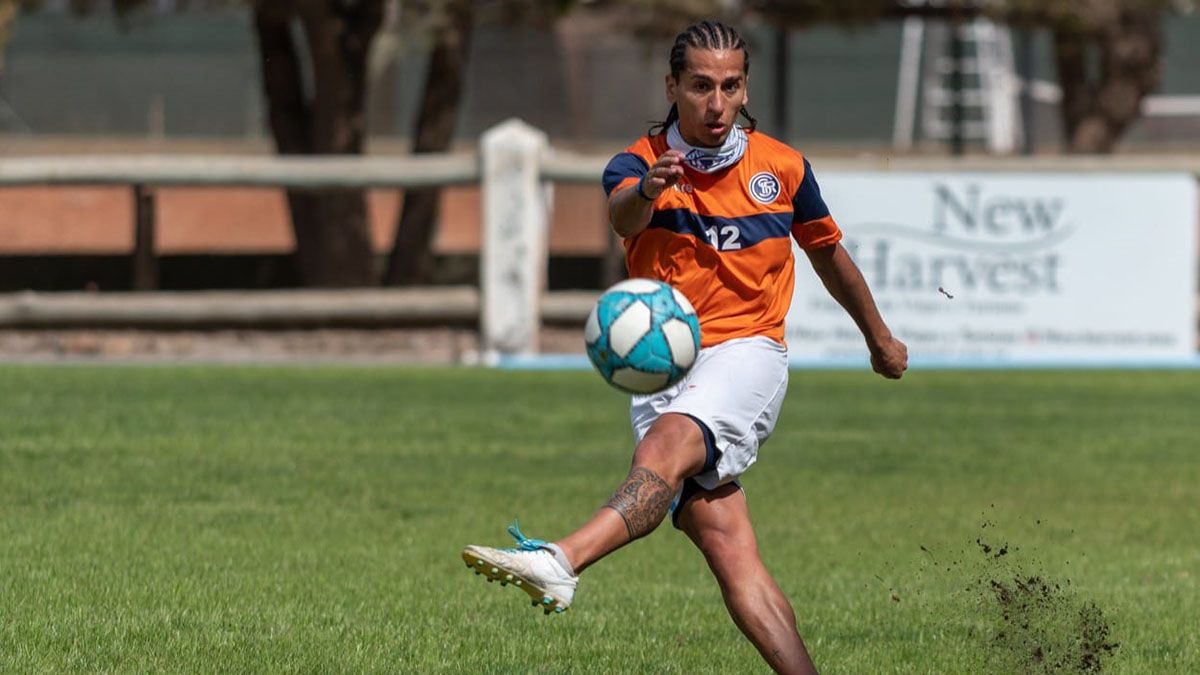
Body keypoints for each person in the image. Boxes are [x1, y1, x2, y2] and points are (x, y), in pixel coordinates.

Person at [462, 20, 907, 675]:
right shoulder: (637, 161)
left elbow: (829, 256)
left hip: (747, 353)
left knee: (664, 449)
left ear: (744, 87)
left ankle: (561, 560)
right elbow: (621, 215)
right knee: (732, 552)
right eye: (701, 86)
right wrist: (649, 187)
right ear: (673, 86)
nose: (717, 102)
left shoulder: (781, 168)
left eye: (730, 86)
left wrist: (879, 337)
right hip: (663, 372)